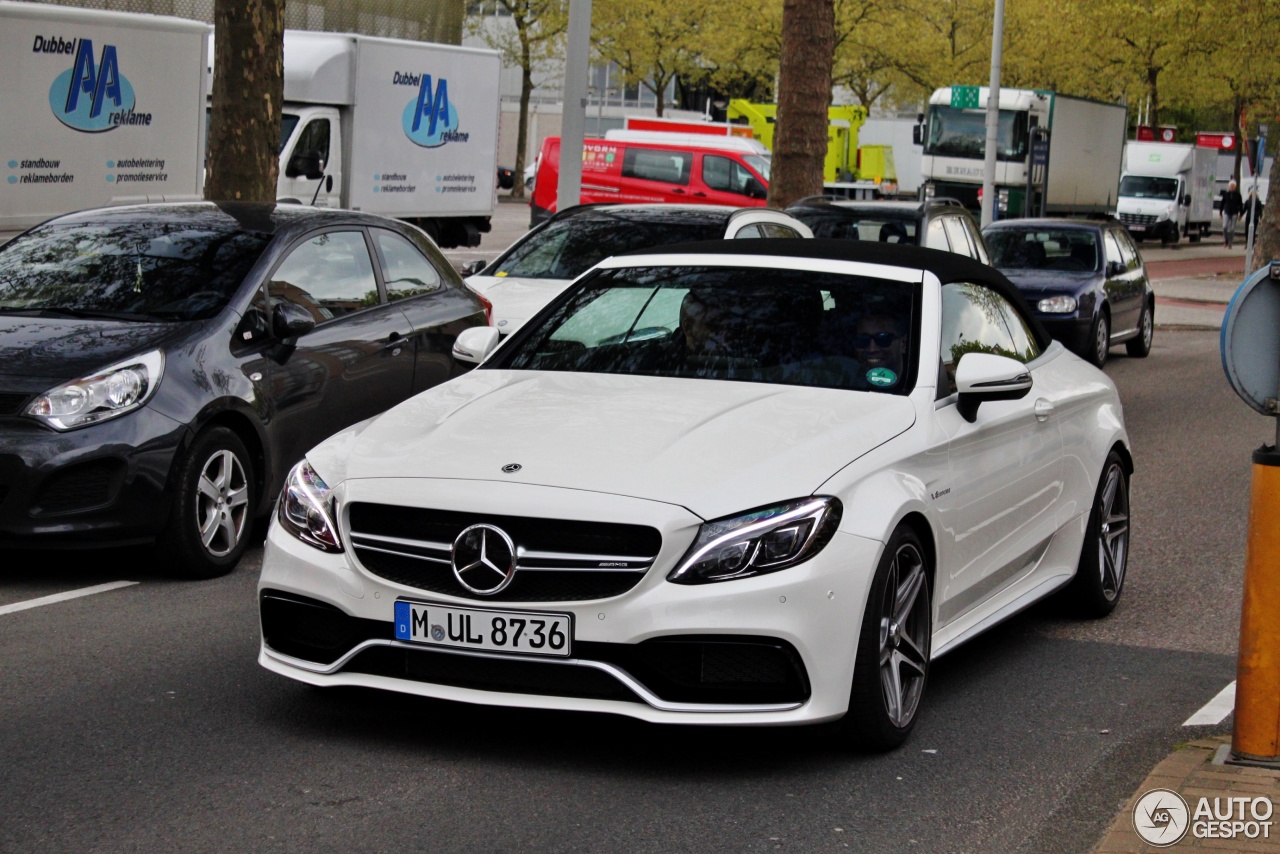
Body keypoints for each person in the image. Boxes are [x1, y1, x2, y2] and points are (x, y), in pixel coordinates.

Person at [852, 312, 907, 388]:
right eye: (863, 340)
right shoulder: (844, 379)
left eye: (883, 339)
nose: (872, 349)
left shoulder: (921, 380)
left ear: (903, 344)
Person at [1220, 180, 1244, 248]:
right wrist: (1220, 212)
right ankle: (1226, 240)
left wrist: (1241, 214)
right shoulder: (1226, 194)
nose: (1232, 187)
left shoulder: (1238, 195)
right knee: (1224, 227)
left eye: (1233, 186)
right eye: (1231, 186)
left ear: (1235, 187)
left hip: (1234, 213)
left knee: (1232, 229)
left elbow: (1240, 205)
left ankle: (1230, 242)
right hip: (1227, 212)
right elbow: (1222, 203)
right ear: (1229, 186)